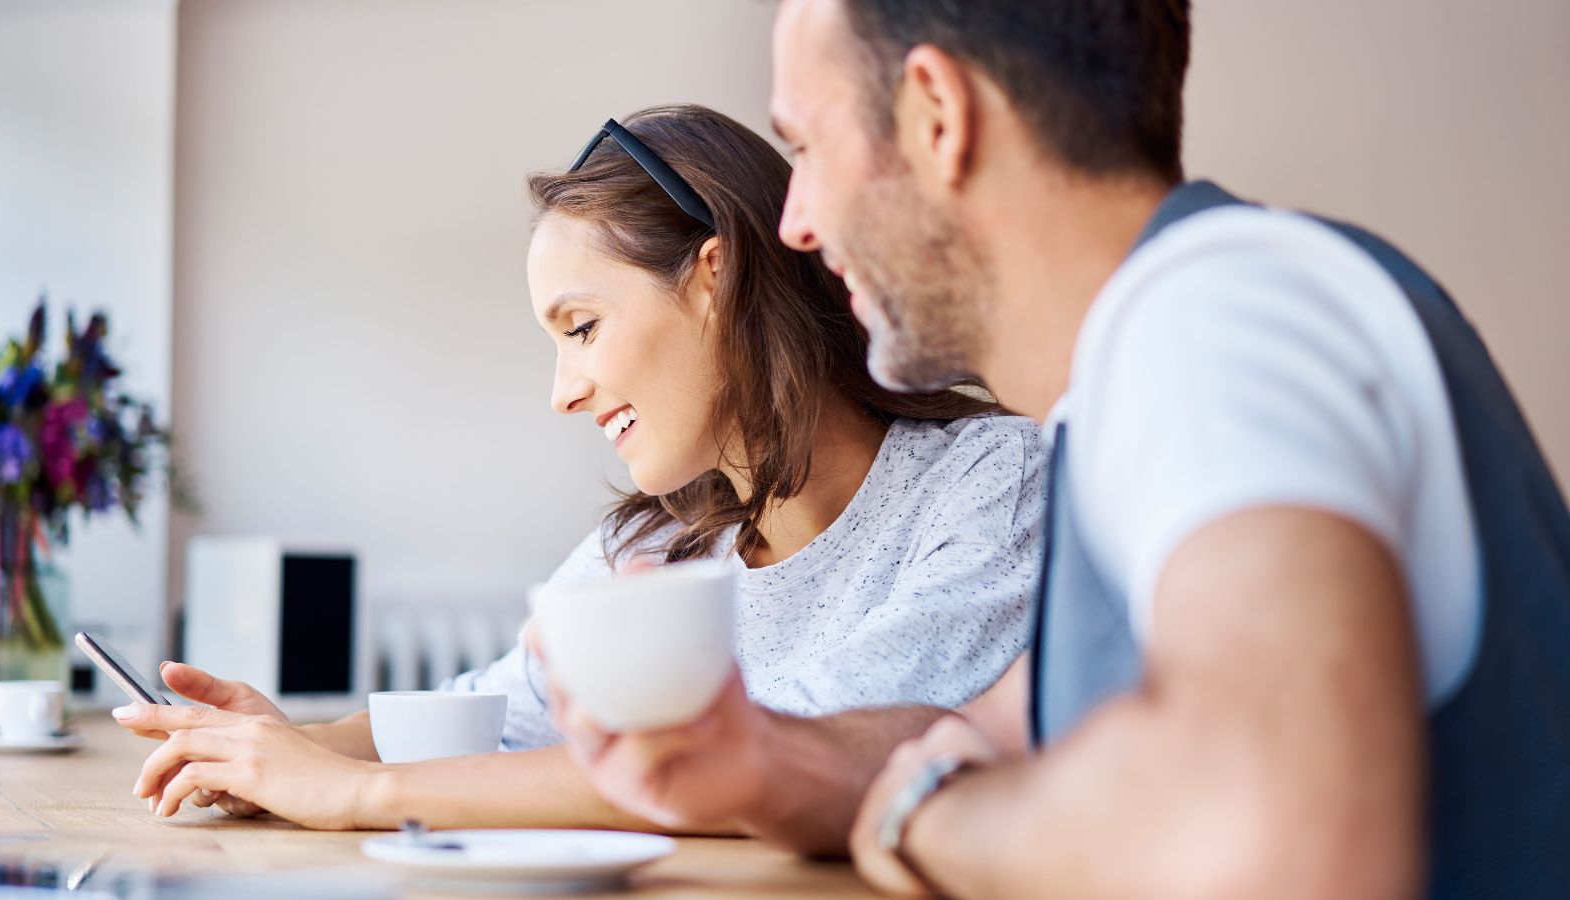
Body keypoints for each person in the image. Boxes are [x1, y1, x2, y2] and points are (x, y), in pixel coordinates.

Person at [544, 2, 1570, 897]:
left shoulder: (1212, 316)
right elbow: (988, 731)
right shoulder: (1129, 394)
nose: (797, 225)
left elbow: (1270, 845)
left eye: (805, 150)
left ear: (936, 116)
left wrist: (925, 824)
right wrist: (758, 759)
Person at [111, 103, 1049, 832]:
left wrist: (355, 793)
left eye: (583, 327)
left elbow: (800, 751)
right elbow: (493, 712)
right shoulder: (651, 542)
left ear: (714, 276)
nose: (564, 392)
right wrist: (276, 748)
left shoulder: (988, 487)